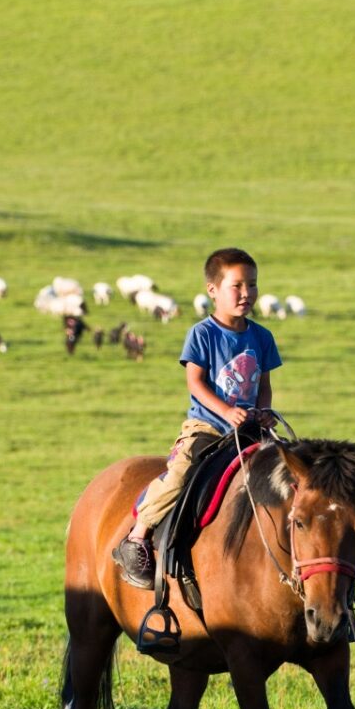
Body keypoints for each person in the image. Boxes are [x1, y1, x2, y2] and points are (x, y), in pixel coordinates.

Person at [113, 247, 281, 588]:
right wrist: (225, 411)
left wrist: (262, 411)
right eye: (237, 286)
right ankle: (138, 536)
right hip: (207, 425)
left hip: (247, 428)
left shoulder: (262, 337)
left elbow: (264, 385)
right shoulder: (202, 333)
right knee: (181, 472)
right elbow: (196, 382)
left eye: (252, 285)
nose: (246, 293)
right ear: (213, 290)